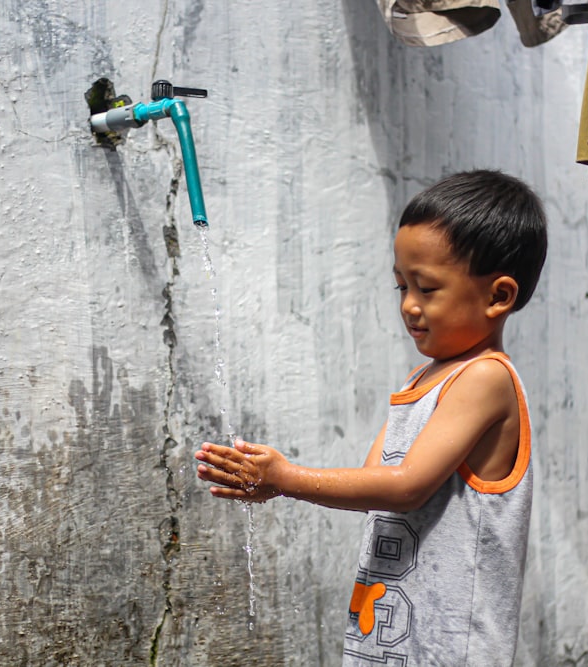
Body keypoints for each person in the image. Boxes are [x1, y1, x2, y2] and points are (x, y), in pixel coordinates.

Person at [195, 169, 548, 666]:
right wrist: (274, 480)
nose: (409, 306)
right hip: (394, 637)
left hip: (451, 648)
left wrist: (287, 477)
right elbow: (373, 484)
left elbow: (407, 487)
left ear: (498, 296)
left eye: (427, 289)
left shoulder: (485, 379)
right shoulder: (418, 382)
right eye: (401, 286)